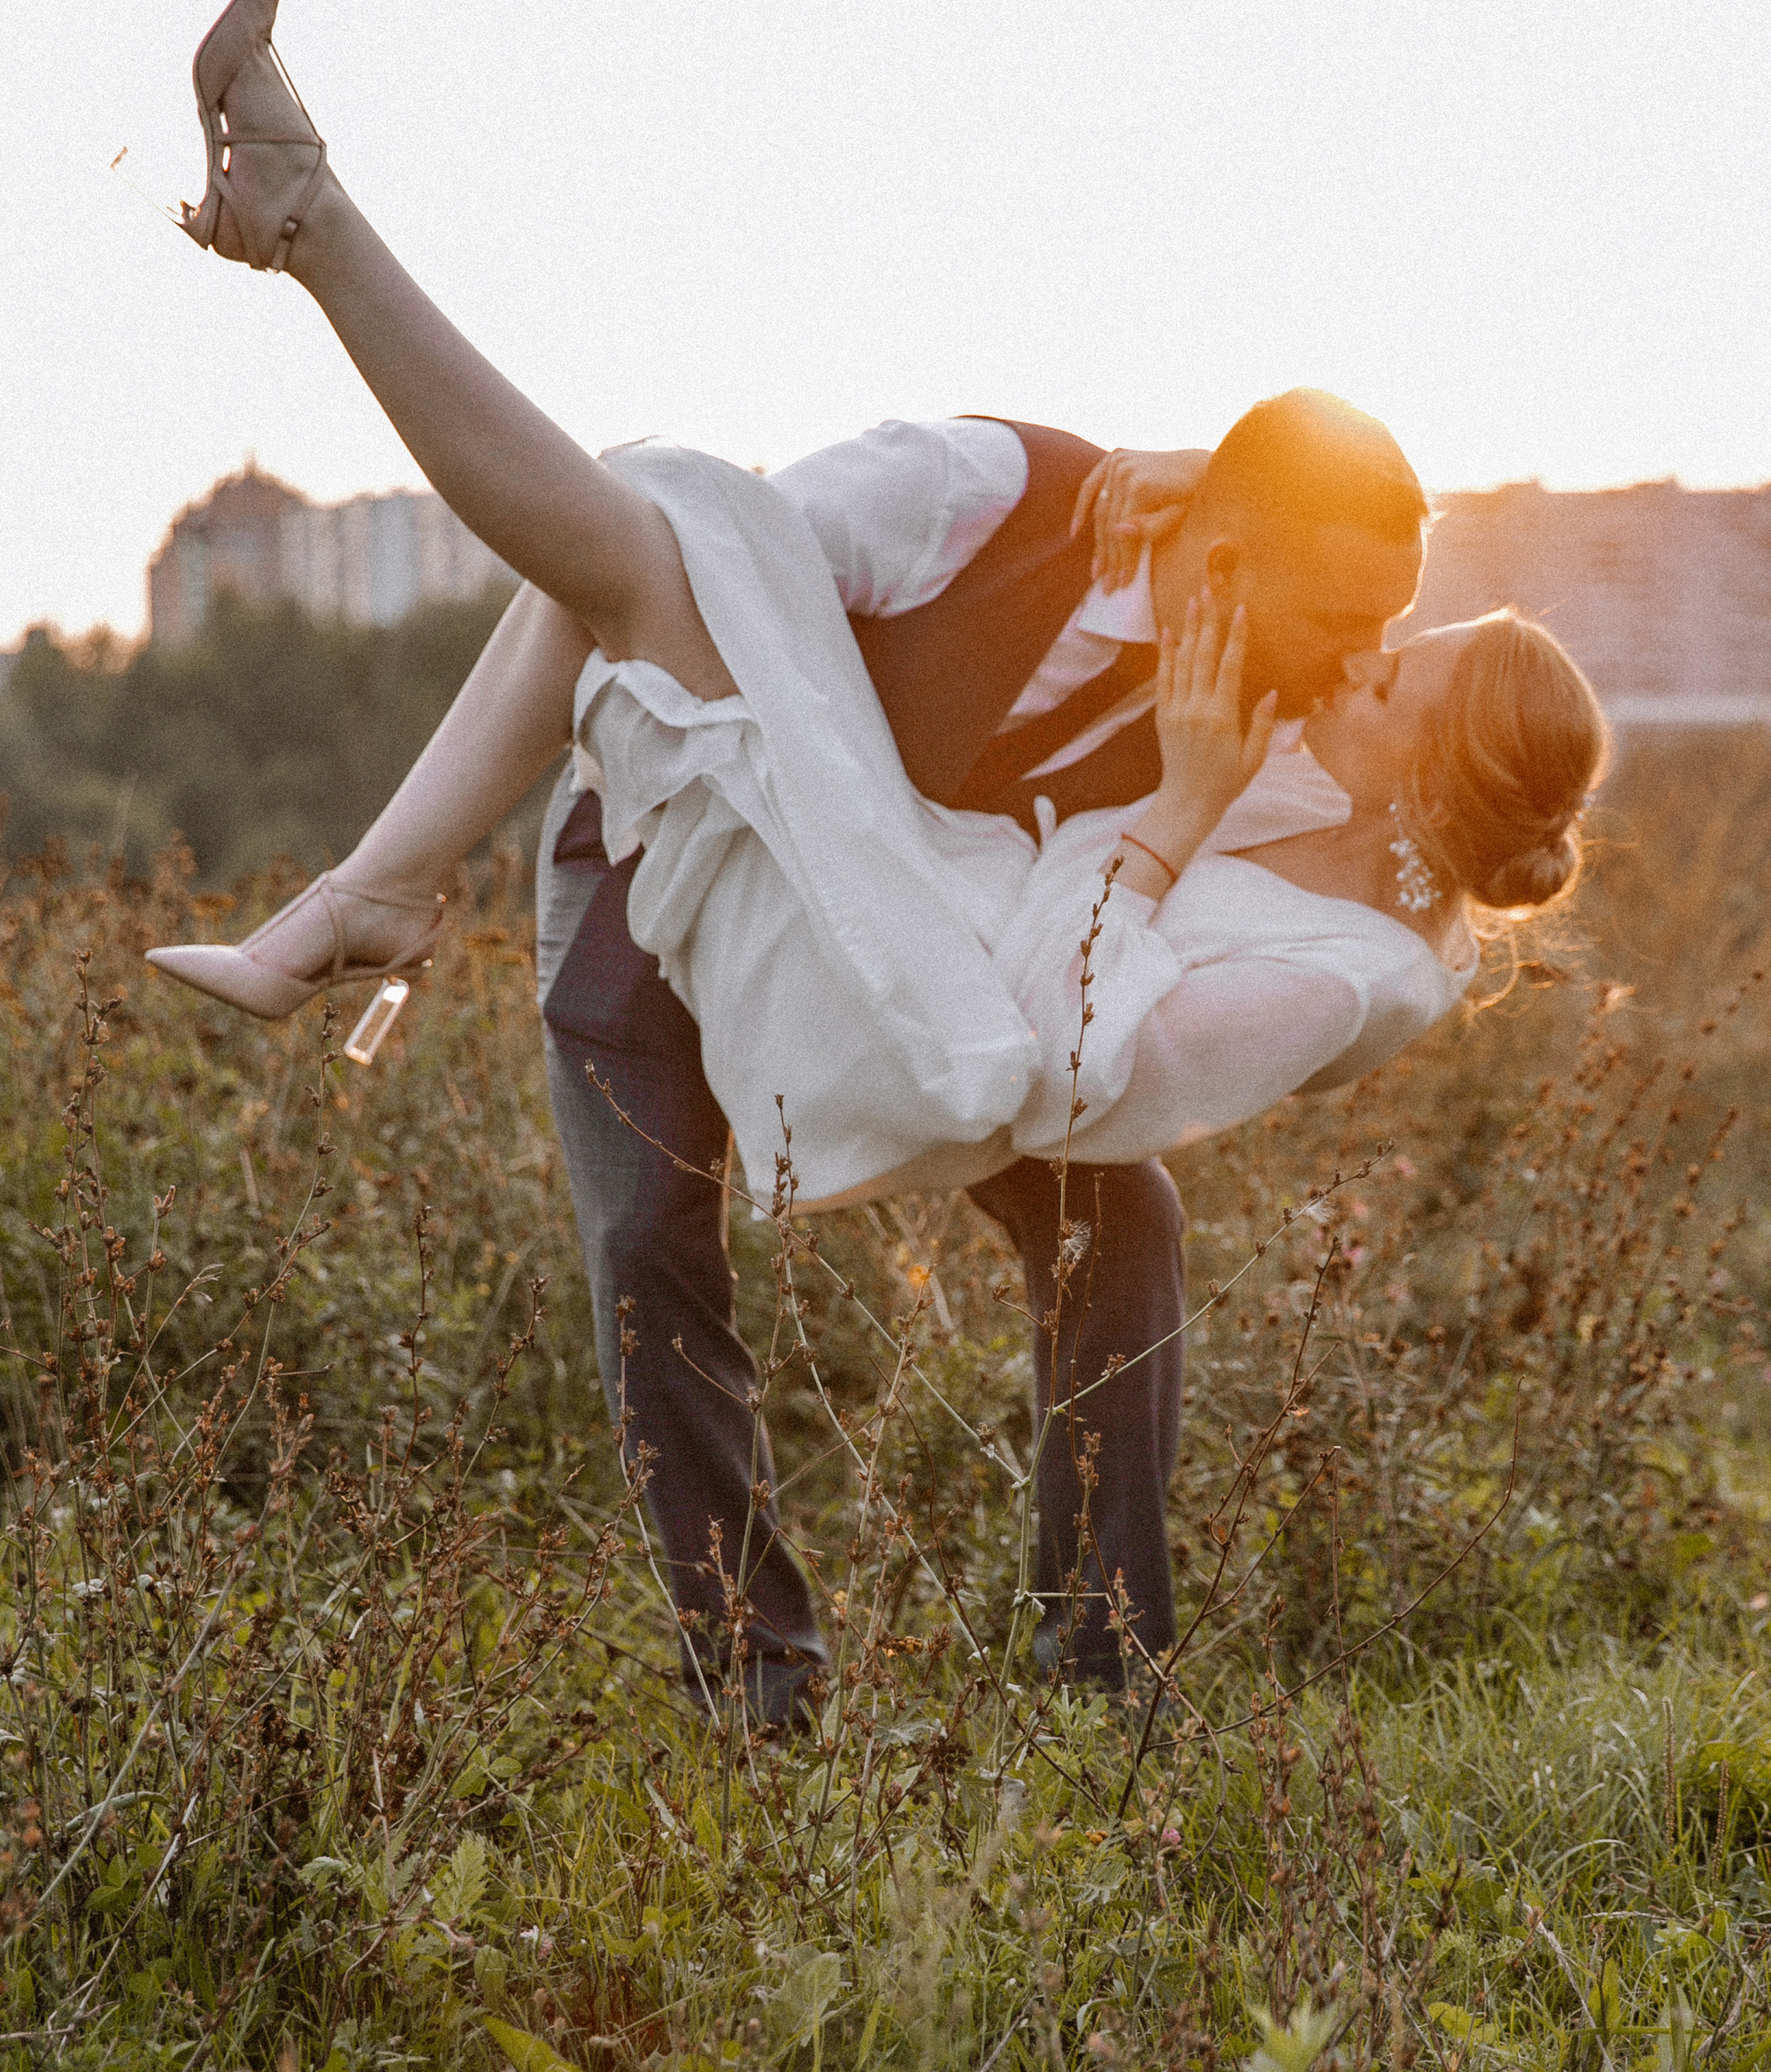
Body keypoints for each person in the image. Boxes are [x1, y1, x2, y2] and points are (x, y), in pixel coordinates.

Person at [146, 0, 1611, 1721]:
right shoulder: (969, 491)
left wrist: (1278, 839)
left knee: (1117, 1221)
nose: (1364, 647)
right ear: (1225, 532)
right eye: (1348, 610)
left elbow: (1355, 867)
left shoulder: (1270, 708)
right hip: (666, 860)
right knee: (650, 1248)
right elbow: (640, 581)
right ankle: (754, 1682)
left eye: (1390, 630)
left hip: (926, 953)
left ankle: (1100, 1673)